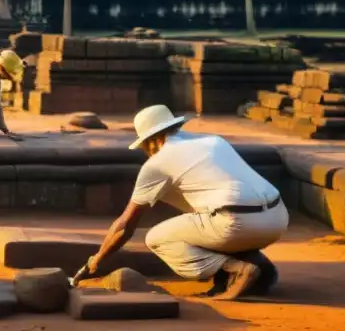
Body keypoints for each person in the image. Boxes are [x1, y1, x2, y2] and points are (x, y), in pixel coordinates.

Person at [80, 104, 288, 300]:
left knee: (157, 238)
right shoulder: (213, 141)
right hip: (277, 219)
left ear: (148, 140)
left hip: (236, 223)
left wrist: (97, 259)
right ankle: (259, 266)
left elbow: (125, 225)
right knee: (205, 217)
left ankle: (235, 268)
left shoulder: (157, 164)